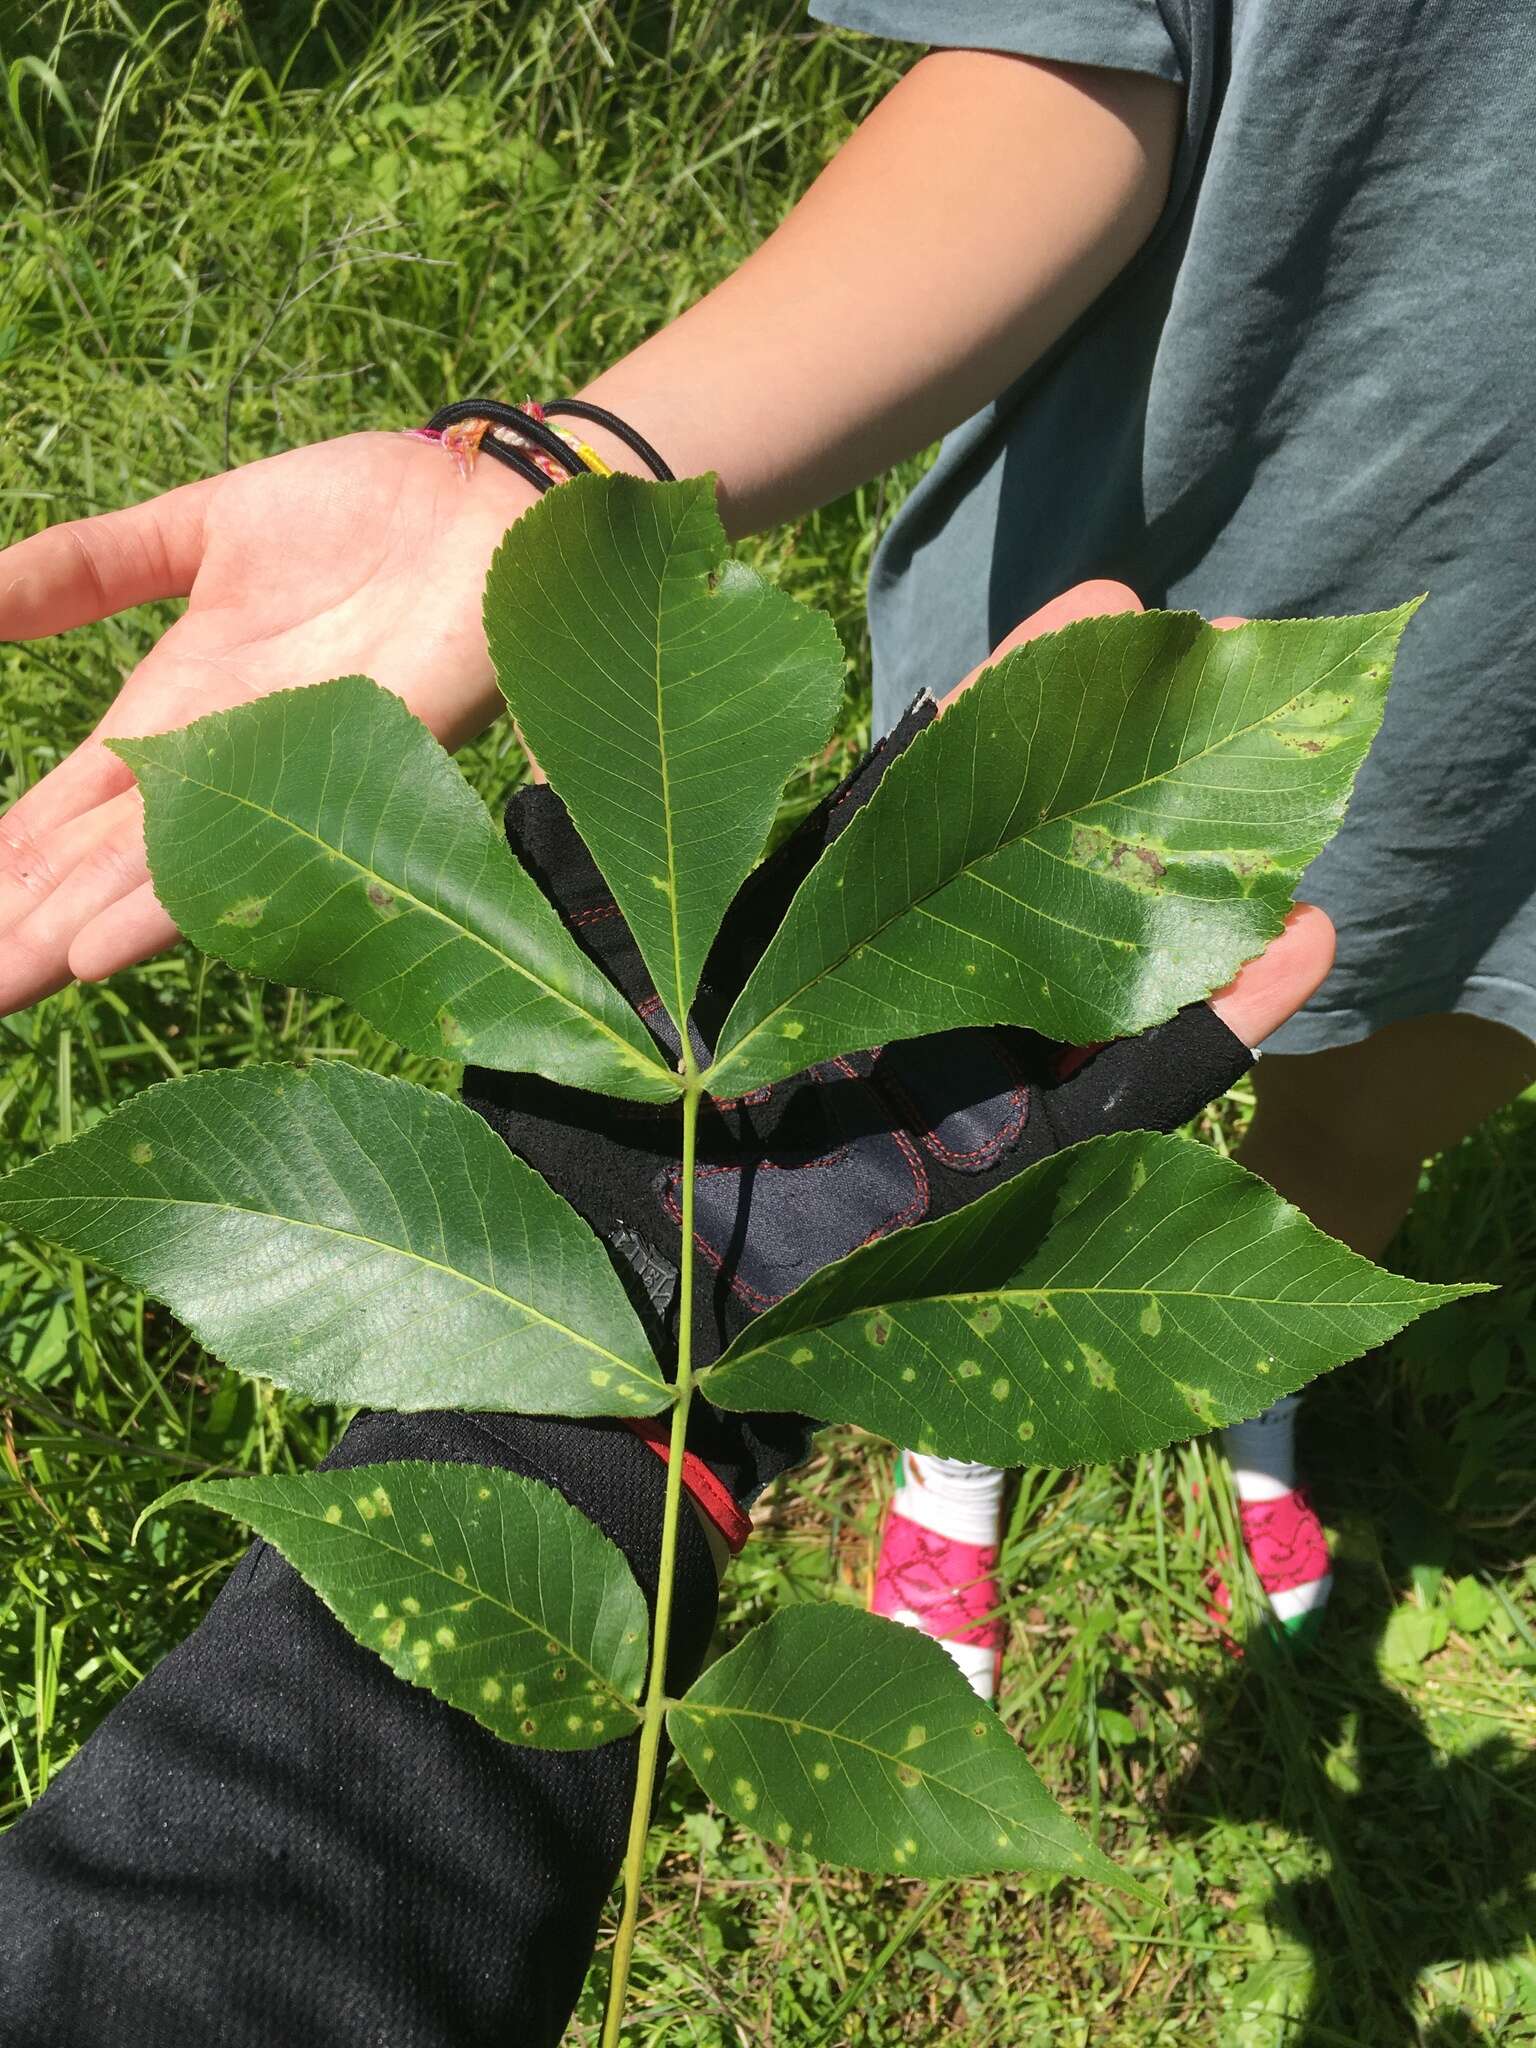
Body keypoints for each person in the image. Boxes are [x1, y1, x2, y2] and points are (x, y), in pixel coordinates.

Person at [0, 0, 1526, 2028]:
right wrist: (561, 476)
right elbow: (1091, 60)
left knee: (1370, 1060)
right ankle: (947, 1408)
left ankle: (1257, 1359)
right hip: (1123, 591)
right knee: (985, 1100)